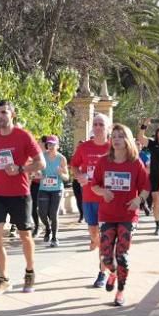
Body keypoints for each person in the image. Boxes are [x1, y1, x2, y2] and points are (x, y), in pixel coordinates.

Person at [0, 100, 45, 296]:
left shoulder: (23, 136)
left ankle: (30, 271)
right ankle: (4, 279)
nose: (0, 116)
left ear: (12, 114)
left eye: (4, 112)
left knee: (25, 235)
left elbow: (41, 163)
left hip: (20, 193)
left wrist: (20, 169)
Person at [91, 124, 150, 307]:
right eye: (114, 136)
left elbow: (146, 187)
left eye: (120, 136)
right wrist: (102, 192)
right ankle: (113, 272)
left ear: (128, 140)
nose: (116, 139)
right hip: (107, 214)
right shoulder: (103, 161)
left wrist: (138, 200)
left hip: (128, 214)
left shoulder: (135, 162)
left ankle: (120, 291)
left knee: (122, 255)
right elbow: (94, 184)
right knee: (106, 256)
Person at [70, 113, 112, 286]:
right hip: (88, 197)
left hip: (107, 198)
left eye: (101, 124)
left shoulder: (113, 147)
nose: (98, 127)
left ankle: (102, 273)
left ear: (108, 128)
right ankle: (94, 241)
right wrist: (79, 175)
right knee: (94, 234)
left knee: (104, 237)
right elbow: (74, 165)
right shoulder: (84, 147)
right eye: (95, 124)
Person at [37, 135, 68, 247]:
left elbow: (67, 177)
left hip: (57, 189)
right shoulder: (42, 156)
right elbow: (38, 171)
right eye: (49, 144)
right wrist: (39, 174)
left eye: (53, 144)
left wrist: (61, 173)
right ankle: (48, 228)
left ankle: (54, 237)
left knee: (53, 214)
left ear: (58, 146)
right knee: (42, 213)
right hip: (44, 189)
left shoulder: (61, 159)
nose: (50, 146)